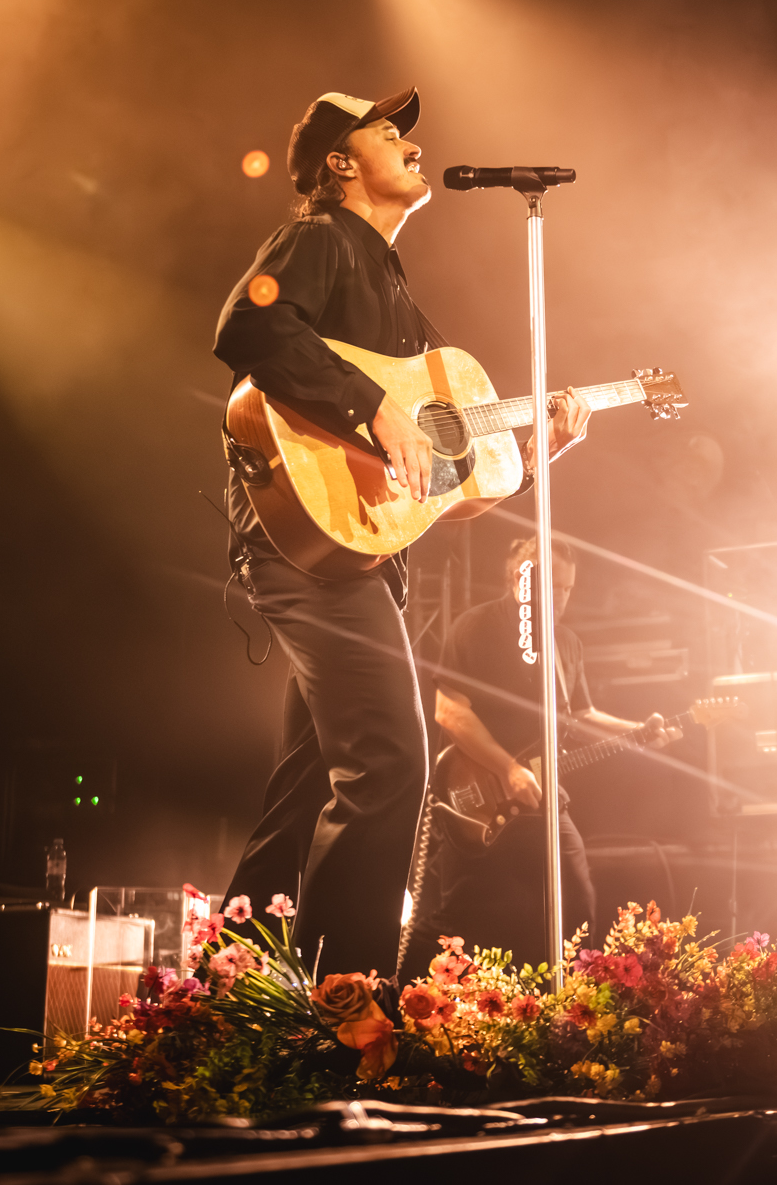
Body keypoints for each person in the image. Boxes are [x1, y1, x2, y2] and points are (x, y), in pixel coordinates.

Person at [213, 88, 592, 977]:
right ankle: (349, 1000)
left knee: (307, 787)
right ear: (340, 164)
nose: (410, 142)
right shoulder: (317, 240)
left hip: (361, 548)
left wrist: (539, 455)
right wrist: (369, 403)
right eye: (387, 131)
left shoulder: (392, 288)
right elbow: (248, 324)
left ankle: (221, 992)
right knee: (389, 760)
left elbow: (452, 474)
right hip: (308, 541)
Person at [399, 534, 665, 979]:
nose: (560, 598)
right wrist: (507, 768)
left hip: (541, 794)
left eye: (567, 588)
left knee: (577, 899)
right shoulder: (475, 627)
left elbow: (583, 714)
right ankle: (410, 997)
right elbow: (448, 710)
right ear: (518, 581)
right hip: (476, 797)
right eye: (551, 586)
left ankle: (575, 1008)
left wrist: (639, 731)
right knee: (462, 917)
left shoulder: (567, 644)